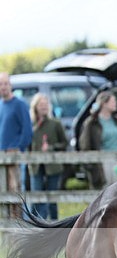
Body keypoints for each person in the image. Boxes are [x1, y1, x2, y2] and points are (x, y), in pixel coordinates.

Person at [78, 90, 117, 188]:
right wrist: (90, 166)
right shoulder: (91, 123)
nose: (115, 104)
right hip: (103, 162)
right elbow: (85, 145)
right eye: (113, 101)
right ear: (104, 103)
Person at [28, 93, 68, 220]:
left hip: (53, 166)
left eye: (46, 105)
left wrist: (51, 148)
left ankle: (54, 224)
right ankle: (35, 223)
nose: (44, 107)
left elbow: (64, 143)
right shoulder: (31, 125)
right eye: (41, 105)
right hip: (36, 166)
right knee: (36, 195)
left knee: (52, 198)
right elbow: (27, 144)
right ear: (35, 107)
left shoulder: (55, 123)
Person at [0, 71, 33, 218]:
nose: (3, 87)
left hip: (14, 155)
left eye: (5, 83)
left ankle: (23, 223)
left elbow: (27, 131)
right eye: (0, 84)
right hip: (2, 156)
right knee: (5, 190)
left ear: (10, 85)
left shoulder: (19, 104)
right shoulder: (1, 105)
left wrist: (19, 148)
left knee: (17, 189)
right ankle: (9, 223)